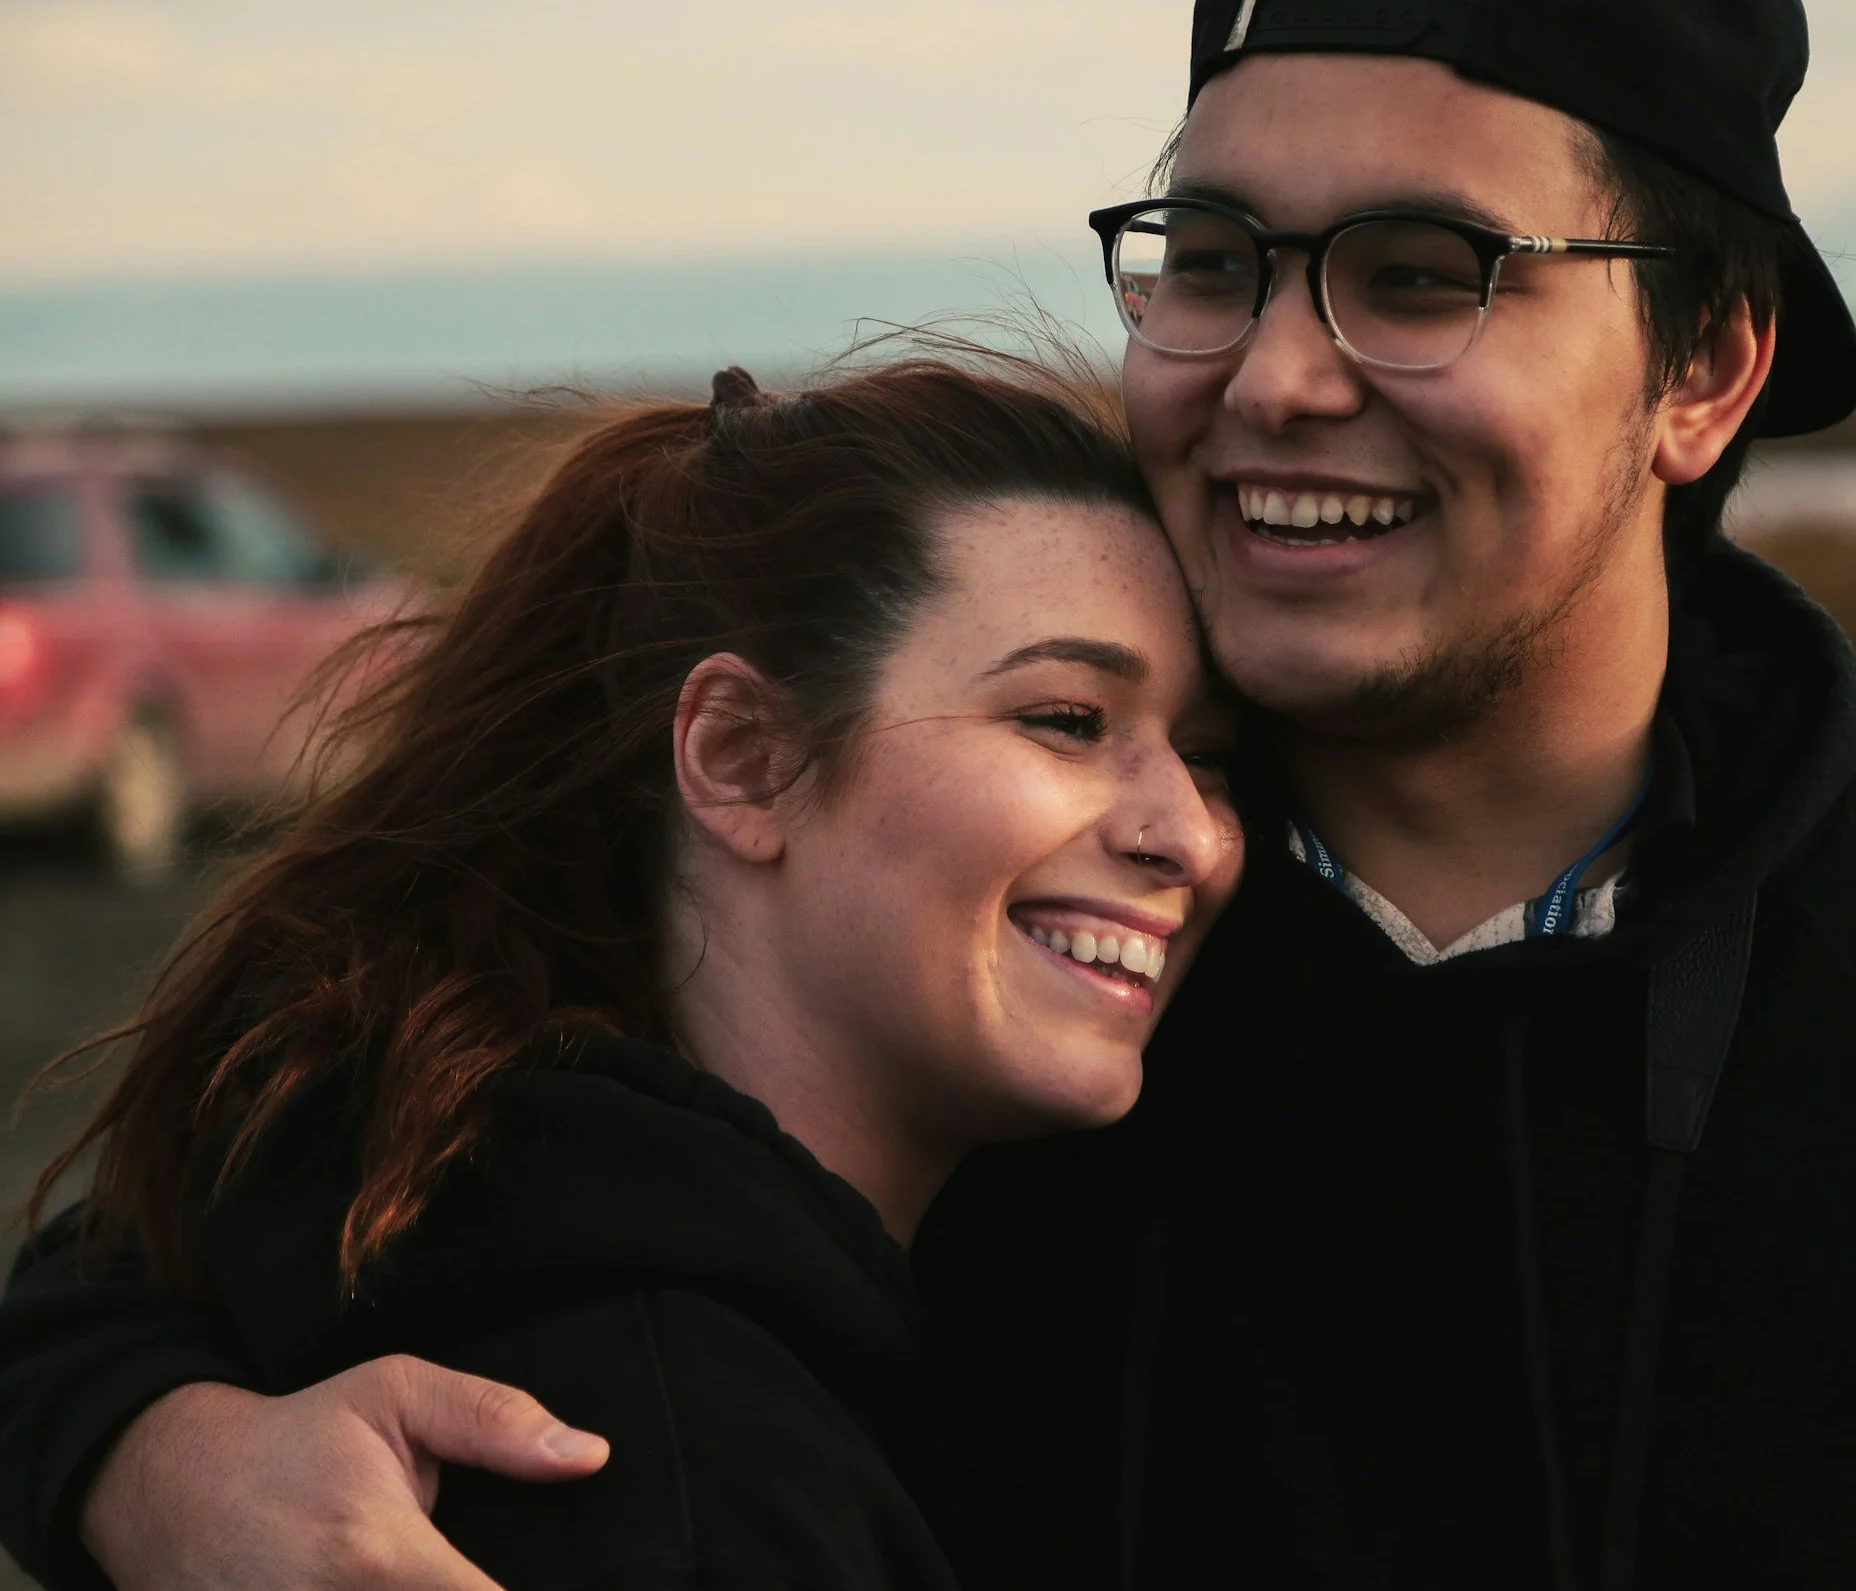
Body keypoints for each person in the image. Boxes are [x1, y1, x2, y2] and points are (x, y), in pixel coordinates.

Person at [9, 0, 1856, 1587]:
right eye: (1213, 259)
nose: (1279, 367)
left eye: (1425, 274)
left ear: (1706, 368)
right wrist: (150, 1455)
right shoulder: (995, 963)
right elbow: (266, 1189)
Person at [0, 357, 1243, 1590]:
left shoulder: (431, 1173)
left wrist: (123, 1436)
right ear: (743, 756)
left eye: (1209, 755)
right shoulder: (657, 1466)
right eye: (1068, 719)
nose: (1184, 831)